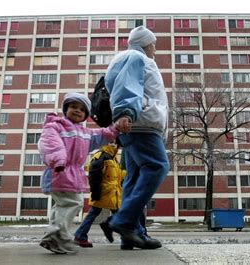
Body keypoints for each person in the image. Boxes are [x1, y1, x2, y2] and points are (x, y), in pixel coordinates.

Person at [100, 25, 169, 250]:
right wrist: (125, 113)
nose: (155, 50)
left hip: (135, 125)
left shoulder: (131, 57)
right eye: (154, 45)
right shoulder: (135, 57)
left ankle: (130, 236)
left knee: (133, 178)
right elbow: (126, 86)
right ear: (146, 44)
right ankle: (122, 221)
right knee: (157, 166)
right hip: (141, 125)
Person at [38, 92, 130, 254]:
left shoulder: (84, 133)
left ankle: (54, 234)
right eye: (73, 106)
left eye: (82, 109)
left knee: (63, 204)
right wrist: (58, 159)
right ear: (65, 109)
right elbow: (50, 143)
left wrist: (115, 128)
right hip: (60, 170)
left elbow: (101, 135)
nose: (77, 111)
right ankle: (58, 235)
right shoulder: (55, 125)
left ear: (86, 115)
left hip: (72, 174)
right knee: (72, 203)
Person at [73, 142, 125, 248]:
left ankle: (81, 235)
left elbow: (118, 177)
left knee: (115, 215)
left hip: (114, 193)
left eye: (115, 142)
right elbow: (93, 175)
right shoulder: (101, 156)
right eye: (110, 142)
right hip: (104, 193)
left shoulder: (114, 158)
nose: (113, 144)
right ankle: (124, 237)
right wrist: (96, 192)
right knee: (119, 215)